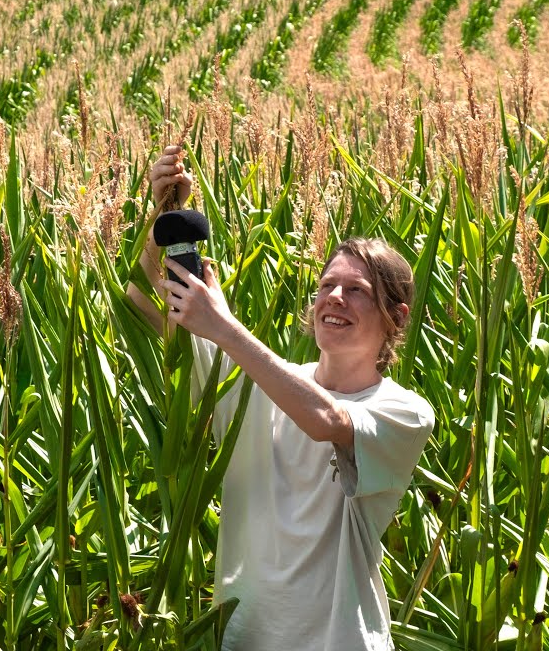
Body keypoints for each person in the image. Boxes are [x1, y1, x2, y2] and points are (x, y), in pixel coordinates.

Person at [126, 145, 435, 651]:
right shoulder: (254, 381)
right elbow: (142, 305)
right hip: (244, 641)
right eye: (327, 286)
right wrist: (160, 218)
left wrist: (223, 328)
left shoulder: (404, 412)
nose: (334, 298)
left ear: (397, 317)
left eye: (355, 290)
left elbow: (325, 419)